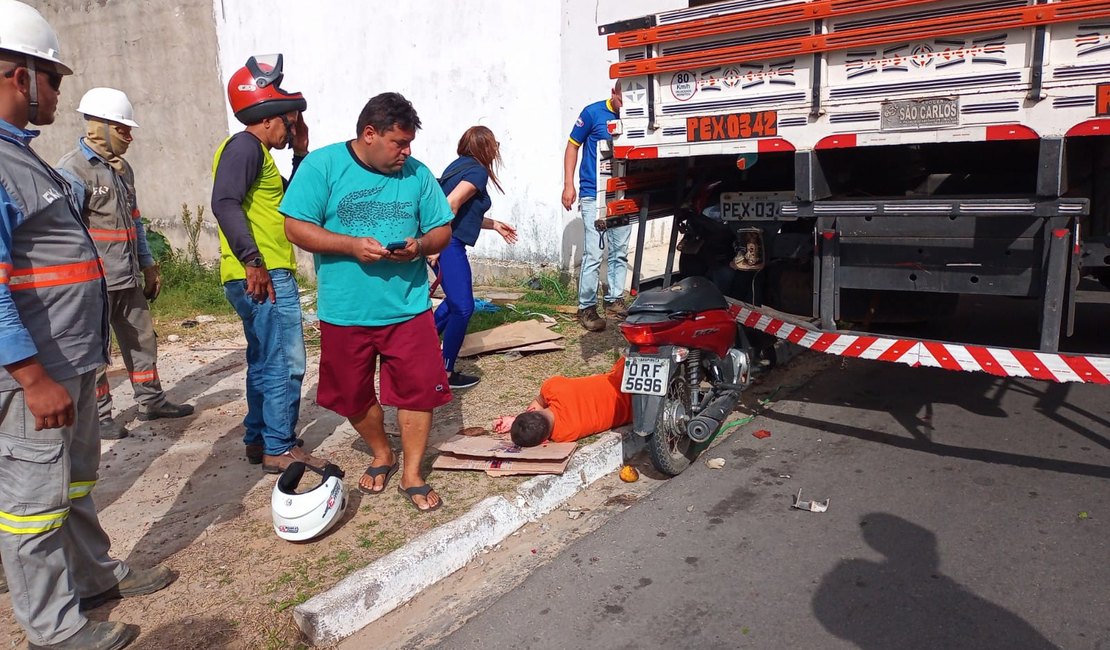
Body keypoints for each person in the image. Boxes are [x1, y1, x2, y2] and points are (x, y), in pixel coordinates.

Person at [0, 2, 175, 648]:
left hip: (68, 362)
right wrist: (28, 374)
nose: (58, 94)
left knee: (73, 484)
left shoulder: (25, 159)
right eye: (54, 80)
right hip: (34, 377)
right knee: (31, 509)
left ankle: (94, 575)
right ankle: (54, 630)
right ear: (22, 77)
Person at [282, 92, 454, 512]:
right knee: (351, 395)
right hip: (345, 311)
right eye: (398, 143)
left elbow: (441, 231)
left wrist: (419, 246)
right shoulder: (323, 166)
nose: (406, 152)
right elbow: (295, 228)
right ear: (369, 134)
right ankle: (382, 452)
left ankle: (412, 473)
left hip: (407, 308)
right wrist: (349, 245)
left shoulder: (417, 174)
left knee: (417, 394)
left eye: (409, 143)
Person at [57, 87, 193, 440]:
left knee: (141, 341)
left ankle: (151, 401)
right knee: (96, 351)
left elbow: (134, 221)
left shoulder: (121, 169)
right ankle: (99, 416)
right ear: (98, 127)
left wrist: (147, 265)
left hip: (128, 277)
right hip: (95, 282)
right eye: (123, 129)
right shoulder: (72, 171)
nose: (129, 137)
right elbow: (66, 233)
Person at [210, 54, 324, 474]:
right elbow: (223, 202)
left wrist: (300, 153)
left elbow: (293, 205)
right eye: (288, 121)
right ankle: (279, 444)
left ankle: (259, 438)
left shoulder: (254, 153)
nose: (290, 127)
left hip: (258, 270)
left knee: (263, 358)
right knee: (284, 361)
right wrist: (253, 261)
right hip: (264, 272)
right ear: (268, 115)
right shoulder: (244, 147)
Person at [433, 126, 517, 390]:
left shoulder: (459, 166)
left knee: (457, 302)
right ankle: (444, 370)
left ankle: (419, 346)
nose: (497, 150)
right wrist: (435, 243)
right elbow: (450, 205)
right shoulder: (477, 171)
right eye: (494, 145)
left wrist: (495, 225)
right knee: (464, 307)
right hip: (447, 244)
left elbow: (464, 212)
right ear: (486, 148)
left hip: (446, 241)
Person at [562, 81, 630, 333]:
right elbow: (572, 146)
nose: (625, 106)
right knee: (594, 252)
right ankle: (586, 307)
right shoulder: (592, 113)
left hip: (623, 194)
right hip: (594, 193)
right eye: (623, 100)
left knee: (620, 250)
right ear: (613, 93)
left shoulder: (635, 116)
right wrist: (569, 184)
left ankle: (614, 300)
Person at [498, 357, 632, 447]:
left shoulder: (564, 435)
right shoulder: (554, 389)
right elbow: (539, 401)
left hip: (636, 409)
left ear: (544, 441)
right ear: (532, 411)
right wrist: (516, 419)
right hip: (625, 374)